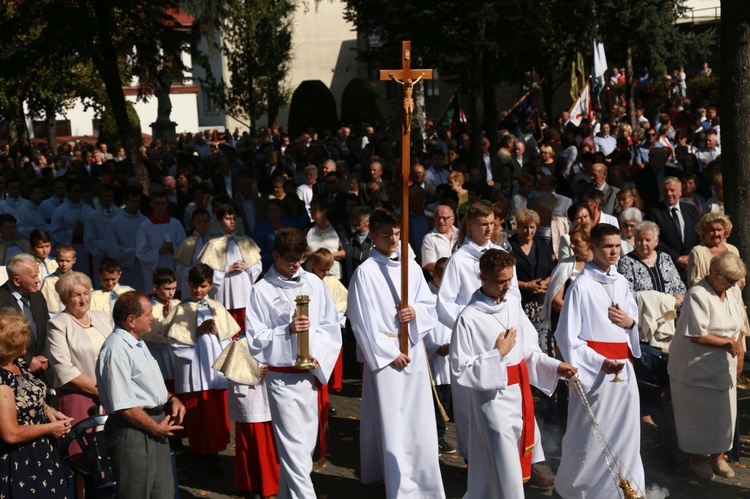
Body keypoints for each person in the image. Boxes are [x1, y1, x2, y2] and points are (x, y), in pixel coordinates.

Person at [450, 249, 577, 498]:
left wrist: (554, 366)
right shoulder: (469, 318)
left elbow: (528, 349)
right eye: (501, 281)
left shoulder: (512, 303)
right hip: (492, 402)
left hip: (519, 396)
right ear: (484, 278)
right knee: (504, 467)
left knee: (502, 468)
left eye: (510, 279)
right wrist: (496, 354)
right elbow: (460, 370)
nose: (507, 286)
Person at [348, 209, 445, 498]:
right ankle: (396, 481)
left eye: (396, 233)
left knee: (418, 419)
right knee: (391, 420)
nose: (393, 238)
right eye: (386, 233)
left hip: (412, 350)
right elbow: (360, 320)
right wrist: (388, 352)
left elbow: (429, 305)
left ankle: (423, 477)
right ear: (374, 236)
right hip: (387, 356)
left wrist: (414, 312)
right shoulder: (365, 273)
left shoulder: (411, 268)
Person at [245, 227, 341, 498]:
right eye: (290, 259)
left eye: (300, 258)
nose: (296, 264)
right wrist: (285, 331)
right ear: (275, 255)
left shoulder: (314, 283)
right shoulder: (261, 290)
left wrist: (313, 353)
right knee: (295, 452)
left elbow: (330, 326)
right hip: (281, 379)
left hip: (308, 375)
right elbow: (255, 339)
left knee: (305, 449)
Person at [554, 223, 645, 499]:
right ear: (593, 248)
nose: (614, 251)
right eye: (608, 246)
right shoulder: (581, 285)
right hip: (595, 373)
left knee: (627, 432)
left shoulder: (622, 282)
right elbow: (567, 337)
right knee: (590, 434)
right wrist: (600, 361)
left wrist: (630, 324)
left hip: (624, 369)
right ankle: (582, 490)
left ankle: (627, 488)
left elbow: (633, 324)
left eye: (618, 245)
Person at [437, 202, 520, 460]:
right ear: (469, 225)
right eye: (483, 224)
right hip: (472, 342)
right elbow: (444, 304)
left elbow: (513, 293)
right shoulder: (459, 260)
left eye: (492, 223)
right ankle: (473, 461)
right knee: (470, 408)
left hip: (503, 338)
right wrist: (468, 329)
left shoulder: (500, 254)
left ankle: (510, 455)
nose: (489, 229)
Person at [96, 291, 186, 499]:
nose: (153, 317)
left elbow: (147, 386)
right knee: (136, 493)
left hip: (155, 425)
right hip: (133, 430)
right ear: (131, 321)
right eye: (148, 314)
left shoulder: (137, 342)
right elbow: (124, 405)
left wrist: (171, 398)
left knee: (163, 493)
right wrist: (155, 428)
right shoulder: (116, 350)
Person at [669, 252, 748, 480]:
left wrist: (739, 349)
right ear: (715, 274)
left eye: (735, 281)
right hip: (693, 366)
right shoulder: (697, 294)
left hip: (724, 362)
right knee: (696, 416)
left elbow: (739, 323)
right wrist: (727, 344)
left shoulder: (732, 291)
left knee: (723, 413)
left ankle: (718, 456)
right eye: (730, 280)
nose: (733, 285)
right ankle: (696, 459)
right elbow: (697, 335)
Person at [164, 264, 239, 471]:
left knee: (215, 413)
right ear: (188, 284)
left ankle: (214, 451)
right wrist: (198, 331)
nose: (198, 290)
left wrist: (218, 332)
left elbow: (230, 338)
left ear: (211, 285)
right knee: (198, 414)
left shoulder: (217, 306)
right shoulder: (181, 309)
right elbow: (174, 341)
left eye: (203, 286)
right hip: (193, 371)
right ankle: (202, 453)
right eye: (195, 286)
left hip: (213, 369)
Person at [0, 309, 72, 498]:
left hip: (41, 453)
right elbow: (11, 433)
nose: (27, 343)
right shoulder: (1, 381)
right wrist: (49, 428)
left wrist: (48, 410)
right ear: (9, 344)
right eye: (22, 339)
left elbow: (32, 398)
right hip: (19, 460)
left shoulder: (19, 364)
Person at [46, 271, 112, 425]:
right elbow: (64, 370)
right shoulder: (57, 324)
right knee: (83, 447)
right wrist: (100, 391)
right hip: (78, 397)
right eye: (76, 295)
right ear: (64, 299)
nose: (83, 300)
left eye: (86, 293)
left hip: (110, 394)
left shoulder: (100, 317)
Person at [198, 202, 262, 327]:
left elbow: (258, 266)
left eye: (234, 218)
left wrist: (247, 266)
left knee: (244, 323)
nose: (232, 222)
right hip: (224, 291)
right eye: (227, 219)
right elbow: (206, 271)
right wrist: (227, 269)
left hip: (244, 290)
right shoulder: (213, 244)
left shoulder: (246, 241)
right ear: (220, 221)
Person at [0, 254, 51, 386]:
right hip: (13, 378)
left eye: (37, 275)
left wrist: (44, 358)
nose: (38, 281)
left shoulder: (37, 296)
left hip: (44, 374)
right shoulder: (1, 301)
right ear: (17, 280)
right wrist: (28, 361)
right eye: (33, 277)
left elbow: (48, 329)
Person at [424, 257, 456, 454]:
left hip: (449, 357)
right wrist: (435, 348)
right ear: (434, 275)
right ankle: (434, 438)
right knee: (433, 402)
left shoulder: (451, 297)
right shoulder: (425, 296)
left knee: (444, 401)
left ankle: (440, 437)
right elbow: (421, 329)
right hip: (432, 357)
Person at [645, 176, 700, 283]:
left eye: (672, 190)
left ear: (680, 192)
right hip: (667, 267)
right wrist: (677, 258)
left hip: (692, 265)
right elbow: (653, 239)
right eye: (665, 190)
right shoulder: (653, 211)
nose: (669, 193)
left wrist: (691, 256)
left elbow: (700, 234)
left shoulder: (691, 209)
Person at [617, 221, 686, 302]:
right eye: (639, 240)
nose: (643, 243)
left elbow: (679, 287)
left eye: (647, 240)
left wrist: (678, 300)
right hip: (643, 312)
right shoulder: (626, 262)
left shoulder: (665, 258)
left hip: (670, 311)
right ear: (634, 241)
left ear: (656, 241)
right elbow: (627, 293)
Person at [136, 190, 186, 292]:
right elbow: (140, 253)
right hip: (153, 273)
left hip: (173, 269)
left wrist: (174, 248)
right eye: (158, 203)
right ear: (151, 204)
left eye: (163, 203)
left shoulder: (176, 224)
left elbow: (185, 248)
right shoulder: (144, 226)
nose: (161, 206)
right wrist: (159, 251)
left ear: (167, 205)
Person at [105, 187, 147, 292]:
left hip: (143, 268)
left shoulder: (145, 221)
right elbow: (112, 249)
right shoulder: (114, 222)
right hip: (123, 268)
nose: (136, 204)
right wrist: (134, 253)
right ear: (125, 201)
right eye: (133, 201)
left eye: (138, 201)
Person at [688, 213, 740, 287]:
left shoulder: (733, 250)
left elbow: (741, 278)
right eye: (711, 230)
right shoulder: (697, 251)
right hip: (706, 296)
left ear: (725, 231)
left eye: (719, 230)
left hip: (732, 296)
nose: (716, 234)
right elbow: (694, 281)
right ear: (704, 232)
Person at [173, 208, 211, 299]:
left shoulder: (214, 241)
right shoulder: (187, 243)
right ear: (193, 223)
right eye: (199, 222)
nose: (203, 224)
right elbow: (180, 268)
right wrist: (197, 278)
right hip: (194, 285)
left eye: (205, 221)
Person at [41, 244, 76, 315]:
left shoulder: (78, 279)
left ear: (74, 260)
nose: (64, 264)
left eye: (68, 261)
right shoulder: (48, 281)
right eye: (61, 260)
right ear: (56, 259)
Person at [421, 204, 458, 273]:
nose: (441, 221)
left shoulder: (461, 235)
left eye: (444, 218)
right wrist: (451, 273)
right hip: (440, 282)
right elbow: (430, 265)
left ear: (452, 220)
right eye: (438, 218)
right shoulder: (429, 239)